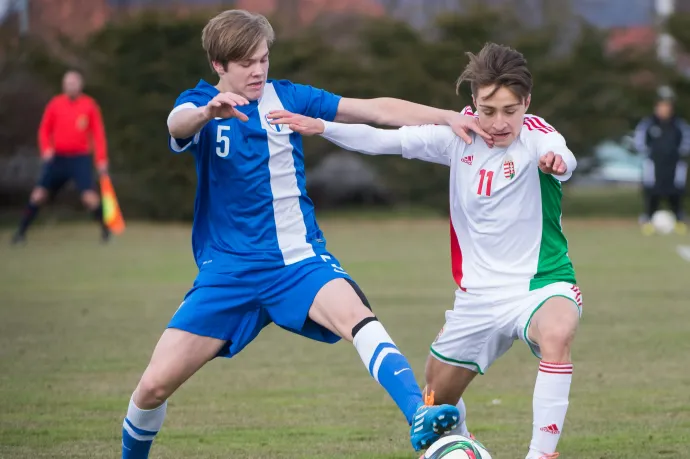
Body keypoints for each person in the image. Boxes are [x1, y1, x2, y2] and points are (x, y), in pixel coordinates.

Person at [120, 10, 493, 458]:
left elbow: (375, 109)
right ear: (219, 66)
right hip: (229, 272)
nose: (258, 70)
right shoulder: (198, 102)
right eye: (245, 63)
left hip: (298, 262)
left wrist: (448, 116)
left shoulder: (289, 97)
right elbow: (175, 123)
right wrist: (206, 112)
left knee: (360, 320)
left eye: (263, 58)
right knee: (152, 387)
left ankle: (420, 415)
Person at [269, 42, 581, 459]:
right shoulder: (459, 136)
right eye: (488, 110)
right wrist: (324, 128)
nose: (499, 122)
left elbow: (561, 154)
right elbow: (382, 140)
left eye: (510, 110)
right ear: (474, 103)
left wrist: (557, 163)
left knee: (558, 332)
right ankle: (464, 448)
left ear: (526, 102)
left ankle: (541, 454)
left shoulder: (539, 137)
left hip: (541, 284)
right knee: (434, 405)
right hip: (478, 298)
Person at [11, 70, 110, 244]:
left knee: (89, 197)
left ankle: (106, 233)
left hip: (80, 158)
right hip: (57, 159)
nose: (71, 86)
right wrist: (46, 149)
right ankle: (20, 233)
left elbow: (98, 134)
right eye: (68, 83)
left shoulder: (89, 105)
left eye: (74, 83)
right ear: (63, 85)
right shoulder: (55, 105)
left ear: (80, 85)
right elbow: (44, 130)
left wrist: (101, 159)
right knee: (38, 195)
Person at [634, 90, 690, 235]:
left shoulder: (679, 125)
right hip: (654, 164)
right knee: (652, 192)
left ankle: (679, 221)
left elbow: (686, 143)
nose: (664, 109)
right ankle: (648, 222)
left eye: (667, 106)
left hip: (674, 165)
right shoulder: (648, 124)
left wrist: (676, 154)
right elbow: (640, 143)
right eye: (661, 106)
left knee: (676, 193)